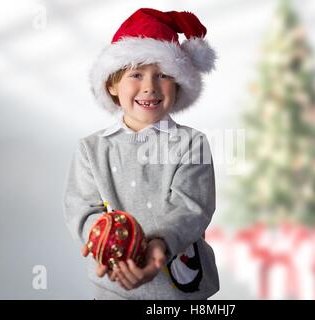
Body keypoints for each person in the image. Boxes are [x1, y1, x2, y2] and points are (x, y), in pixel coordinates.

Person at [63, 8, 219, 300]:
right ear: (112, 84)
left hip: (180, 291)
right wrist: (105, 244)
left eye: (162, 75)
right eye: (136, 74)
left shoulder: (192, 144)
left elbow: (192, 208)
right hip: (113, 284)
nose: (149, 87)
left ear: (178, 84)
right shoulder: (91, 149)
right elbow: (82, 210)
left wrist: (159, 243)